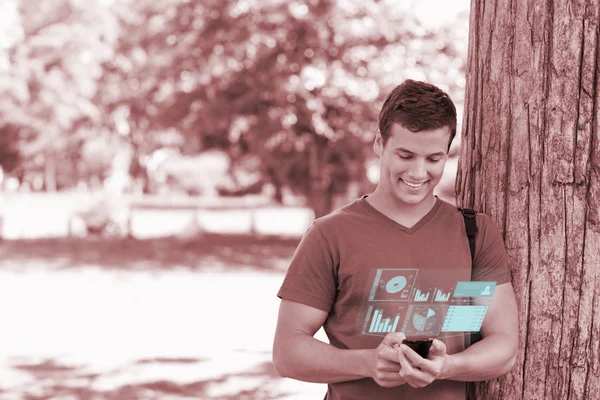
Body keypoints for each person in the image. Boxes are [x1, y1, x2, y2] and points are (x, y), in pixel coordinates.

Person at [272, 79, 518, 400]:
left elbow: (503, 346)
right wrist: (367, 363)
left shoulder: (475, 233)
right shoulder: (329, 234)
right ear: (379, 143)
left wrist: (446, 367)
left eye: (434, 159)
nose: (418, 173)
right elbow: (287, 351)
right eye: (405, 154)